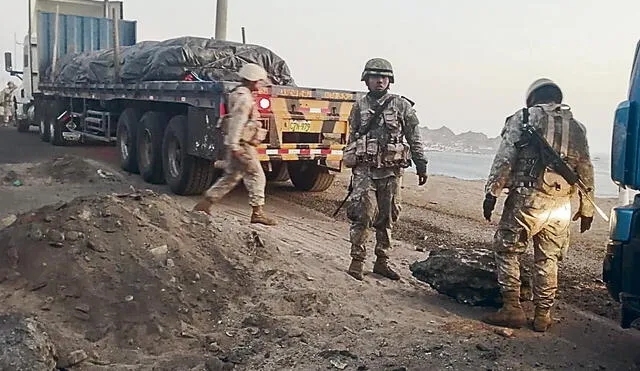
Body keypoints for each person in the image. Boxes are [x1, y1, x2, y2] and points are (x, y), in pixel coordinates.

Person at [482, 78, 595, 332]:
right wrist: (586, 208)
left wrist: (492, 192)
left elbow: (505, 157)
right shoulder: (577, 127)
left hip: (528, 200)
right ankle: (543, 315)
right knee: (548, 258)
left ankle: (512, 309)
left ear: (531, 98)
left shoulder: (524, 117)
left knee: (508, 249)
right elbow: (585, 167)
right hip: (561, 204)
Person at [344, 58, 428, 281]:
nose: (379, 80)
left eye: (384, 77)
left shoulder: (402, 106)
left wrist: (421, 164)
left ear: (390, 80)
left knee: (388, 217)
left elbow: (414, 137)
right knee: (363, 215)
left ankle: (382, 261)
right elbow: (352, 137)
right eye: (374, 77)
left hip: (391, 172)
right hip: (365, 171)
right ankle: (357, 261)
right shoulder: (359, 106)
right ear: (366, 80)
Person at [192, 63, 277, 226]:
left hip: (237, 144)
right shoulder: (244, 99)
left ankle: (205, 204)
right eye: (259, 81)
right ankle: (257, 212)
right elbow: (237, 123)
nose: (261, 85)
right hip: (242, 145)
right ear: (252, 81)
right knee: (257, 175)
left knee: (231, 176)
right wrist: (235, 147)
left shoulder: (237, 94)